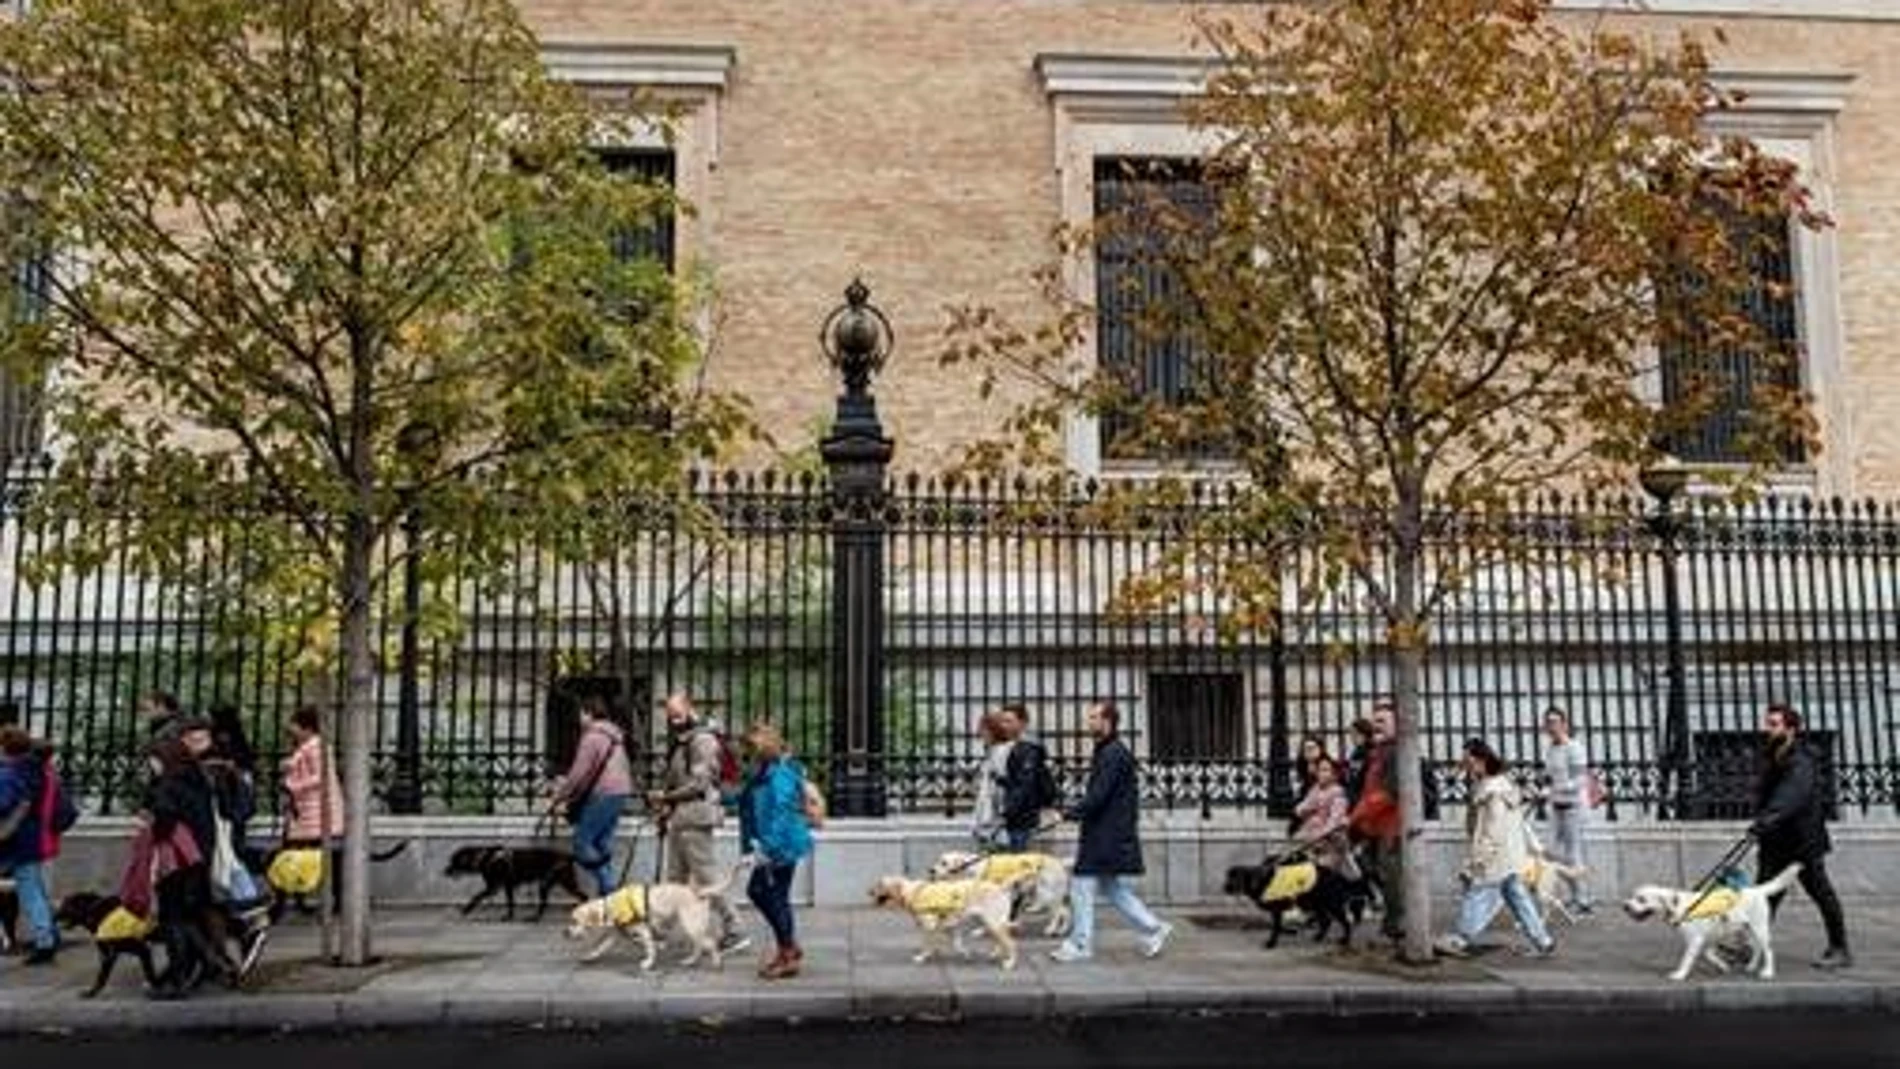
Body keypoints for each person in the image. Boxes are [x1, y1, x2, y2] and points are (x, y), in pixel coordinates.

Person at [1049, 701, 1172, 963]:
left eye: (1094, 717)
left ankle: (1081, 944)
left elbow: (1098, 796)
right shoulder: (1108, 750)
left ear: (1108, 721)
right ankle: (1153, 928)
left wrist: (1067, 814)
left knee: (1082, 886)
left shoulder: (1112, 753)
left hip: (1106, 833)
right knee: (1111, 887)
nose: (1089, 722)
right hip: (1108, 831)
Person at [1749, 703, 1850, 969]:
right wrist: (1765, 821)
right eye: (1767, 723)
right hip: (1776, 840)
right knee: (1764, 895)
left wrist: (1768, 817)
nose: (1766, 728)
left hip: (1802, 841)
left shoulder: (1801, 758)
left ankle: (1840, 948)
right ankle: (1751, 945)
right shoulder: (1774, 754)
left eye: (1773, 724)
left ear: (1790, 729)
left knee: (1820, 892)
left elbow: (1793, 794)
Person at [1434, 738, 1555, 959]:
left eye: (1468, 761)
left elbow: (1492, 830)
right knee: (1517, 896)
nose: (1464, 766)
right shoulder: (1501, 784)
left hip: (1496, 856)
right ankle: (1542, 940)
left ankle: (1461, 938)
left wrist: (1479, 859)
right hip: (1510, 854)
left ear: (1481, 761)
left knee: (1478, 892)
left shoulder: (1492, 791)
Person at [645, 691, 747, 955]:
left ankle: (735, 929)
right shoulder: (683, 740)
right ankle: (659, 931)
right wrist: (666, 807)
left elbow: (700, 783)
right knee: (675, 881)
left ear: (690, 708)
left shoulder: (702, 740)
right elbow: (679, 781)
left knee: (706, 878)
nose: (673, 720)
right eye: (669, 715)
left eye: (677, 714)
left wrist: (666, 797)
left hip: (696, 818)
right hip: (682, 818)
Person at [145, 720, 238, 997]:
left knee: (173, 918)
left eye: (152, 760)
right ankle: (209, 964)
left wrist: (150, 825)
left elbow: (164, 819)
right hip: (199, 857)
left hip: (176, 861)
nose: (150, 765)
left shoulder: (169, 783)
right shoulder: (197, 777)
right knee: (191, 917)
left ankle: (183, 977)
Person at [737, 720, 814, 980]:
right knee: (772, 895)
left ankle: (788, 950)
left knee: (763, 893)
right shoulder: (764, 770)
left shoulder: (779, 772)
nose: (745, 755)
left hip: (780, 846)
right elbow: (747, 805)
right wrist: (749, 847)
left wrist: (767, 848)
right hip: (770, 844)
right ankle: (788, 948)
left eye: (749, 750)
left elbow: (781, 813)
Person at [549, 695, 633, 897]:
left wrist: (561, 794)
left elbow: (580, 773)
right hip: (620, 793)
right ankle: (607, 894)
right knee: (601, 843)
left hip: (603, 794)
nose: (579, 718)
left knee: (582, 843)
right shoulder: (615, 736)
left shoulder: (592, 737)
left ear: (588, 714)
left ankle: (610, 888)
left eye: (581, 714)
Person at [0, 726, 59, 965]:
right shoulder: (37, 770)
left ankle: (45, 942)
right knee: (34, 889)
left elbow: (3, 804)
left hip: (14, 841)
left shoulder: (9, 773)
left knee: (30, 892)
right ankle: (49, 936)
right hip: (31, 838)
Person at [1347, 700, 1404, 943]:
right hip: (1373, 825)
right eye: (1374, 722)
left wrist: (1359, 813)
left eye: (1382, 722)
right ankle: (1392, 920)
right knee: (1368, 865)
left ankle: (1397, 923)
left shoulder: (1396, 753)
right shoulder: (1378, 752)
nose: (1376, 727)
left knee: (1391, 875)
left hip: (1391, 826)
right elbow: (1369, 789)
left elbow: (1390, 792)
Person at [280, 705, 345, 912]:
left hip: (316, 814)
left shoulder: (316, 747)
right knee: (322, 857)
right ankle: (303, 898)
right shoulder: (310, 746)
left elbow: (321, 776)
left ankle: (290, 899)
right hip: (310, 813)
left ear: (306, 727)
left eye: (295, 724)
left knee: (295, 854)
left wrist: (293, 785)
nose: (291, 728)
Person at [1539, 707, 1595, 915]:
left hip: (1574, 807)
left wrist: (1556, 789)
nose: (1551, 726)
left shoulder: (1574, 748)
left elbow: (1581, 779)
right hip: (1556, 806)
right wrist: (1546, 789)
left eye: (1555, 722)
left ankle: (1582, 900)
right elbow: (1549, 776)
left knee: (1573, 855)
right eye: (1548, 722)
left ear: (1564, 724)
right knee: (1550, 851)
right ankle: (1576, 895)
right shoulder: (1551, 749)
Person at [996, 703, 1054, 852]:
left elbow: (1025, 785)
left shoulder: (1028, 749)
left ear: (1022, 723)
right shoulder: (1018, 746)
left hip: (1024, 819)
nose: (1004, 726)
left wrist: (1008, 811)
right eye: (1003, 721)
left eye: (1009, 721)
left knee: (1022, 866)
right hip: (1019, 818)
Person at [1292, 755, 1359, 880]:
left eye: (1326, 770)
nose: (1321, 774)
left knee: (1323, 874)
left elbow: (1333, 822)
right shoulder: (1315, 790)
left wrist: (1318, 833)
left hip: (1331, 843)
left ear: (1334, 774)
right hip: (1311, 841)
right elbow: (1301, 808)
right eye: (1320, 770)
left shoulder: (1338, 794)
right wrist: (1307, 810)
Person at [969, 710, 1013, 851]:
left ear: (993, 731)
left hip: (995, 820)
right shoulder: (993, 751)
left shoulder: (1002, 752)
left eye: (984, 731)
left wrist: (996, 818)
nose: (981, 735)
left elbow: (998, 787)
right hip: (990, 818)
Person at [1289, 735, 1331, 836]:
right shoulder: (1302, 765)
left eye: (1312, 748)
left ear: (1320, 749)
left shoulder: (1326, 765)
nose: (1309, 752)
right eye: (1306, 749)